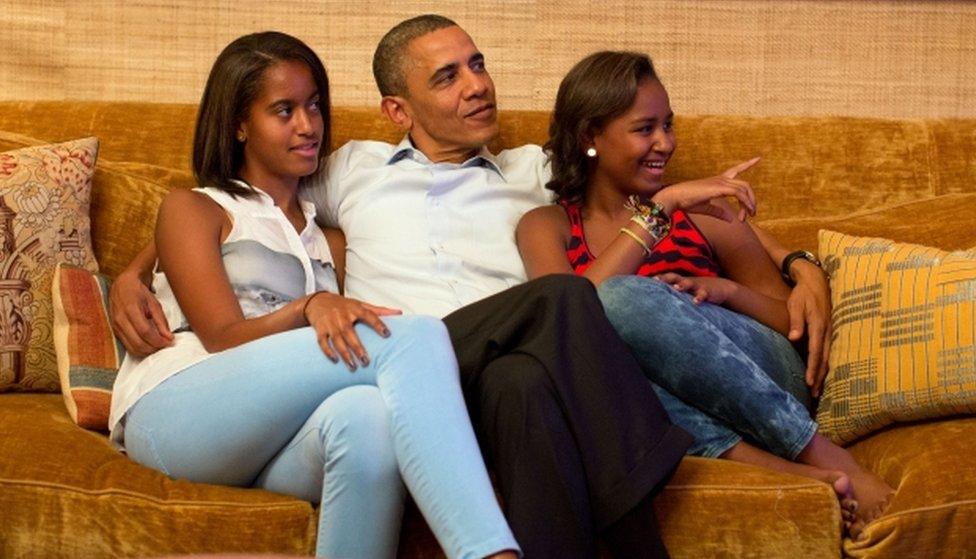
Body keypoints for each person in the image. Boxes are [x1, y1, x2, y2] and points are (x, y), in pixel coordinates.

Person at [110, 15, 832, 557]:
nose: (477, 83)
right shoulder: (348, 168)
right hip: (408, 359)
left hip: (489, 377)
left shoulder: (532, 172)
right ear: (399, 109)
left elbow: (658, 190)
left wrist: (798, 261)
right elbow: (232, 208)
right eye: (448, 76)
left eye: (477, 64)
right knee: (561, 298)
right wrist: (134, 272)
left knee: (527, 377)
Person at [108, 31, 521, 559]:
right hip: (178, 410)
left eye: (314, 106)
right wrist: (306, 306)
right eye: (283, 111)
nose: (308, 126)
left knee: (368, 416)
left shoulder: (327, 236)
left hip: (270, 434)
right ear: (239, 124)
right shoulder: (197, 207)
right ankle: (488, 552)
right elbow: (223, 338)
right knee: (410, 338)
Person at [516, 50, 894, 538]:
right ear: (590, 136)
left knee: (626, 300)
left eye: (668, 125)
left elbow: (789, 327)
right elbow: (566, 324)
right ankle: (784, 472)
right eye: (644, 128)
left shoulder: (706, 214)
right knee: (591, 362)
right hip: (654, 401)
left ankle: (819, 450)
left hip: (764, 379)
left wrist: (728, 291)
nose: (664, 143)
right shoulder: (545, 226)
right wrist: (659, 210)